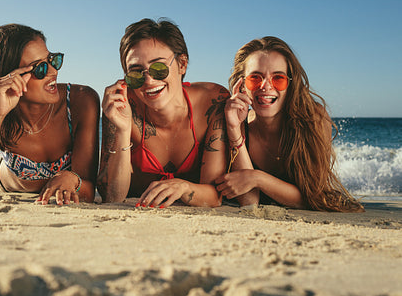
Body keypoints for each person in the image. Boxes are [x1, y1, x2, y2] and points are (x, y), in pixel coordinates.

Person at [0, 24, 100, 205]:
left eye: (52, 60)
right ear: (9, 76)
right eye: (39, 68)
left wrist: (74, 181)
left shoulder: (81, 101)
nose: (54, 72)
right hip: (10, 183)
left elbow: (88, 190)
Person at [215, 36, 363, 212]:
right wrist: (233, 129)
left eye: (278, 78)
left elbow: (313, 196)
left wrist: (257, 178)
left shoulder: (314, 119)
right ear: (242, 85)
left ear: (291, 84)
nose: (266, 86)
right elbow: (249, 203)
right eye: (255, 78)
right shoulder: (236, 121)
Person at [97, 18, 228, 208]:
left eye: (158, 68)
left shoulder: (213, 101)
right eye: (136, 72)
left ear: (182, 64)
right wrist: (123, 130)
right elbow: (112, 196)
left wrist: (183, 187)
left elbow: (215, 196)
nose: (148, 80)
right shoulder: (121, 105)